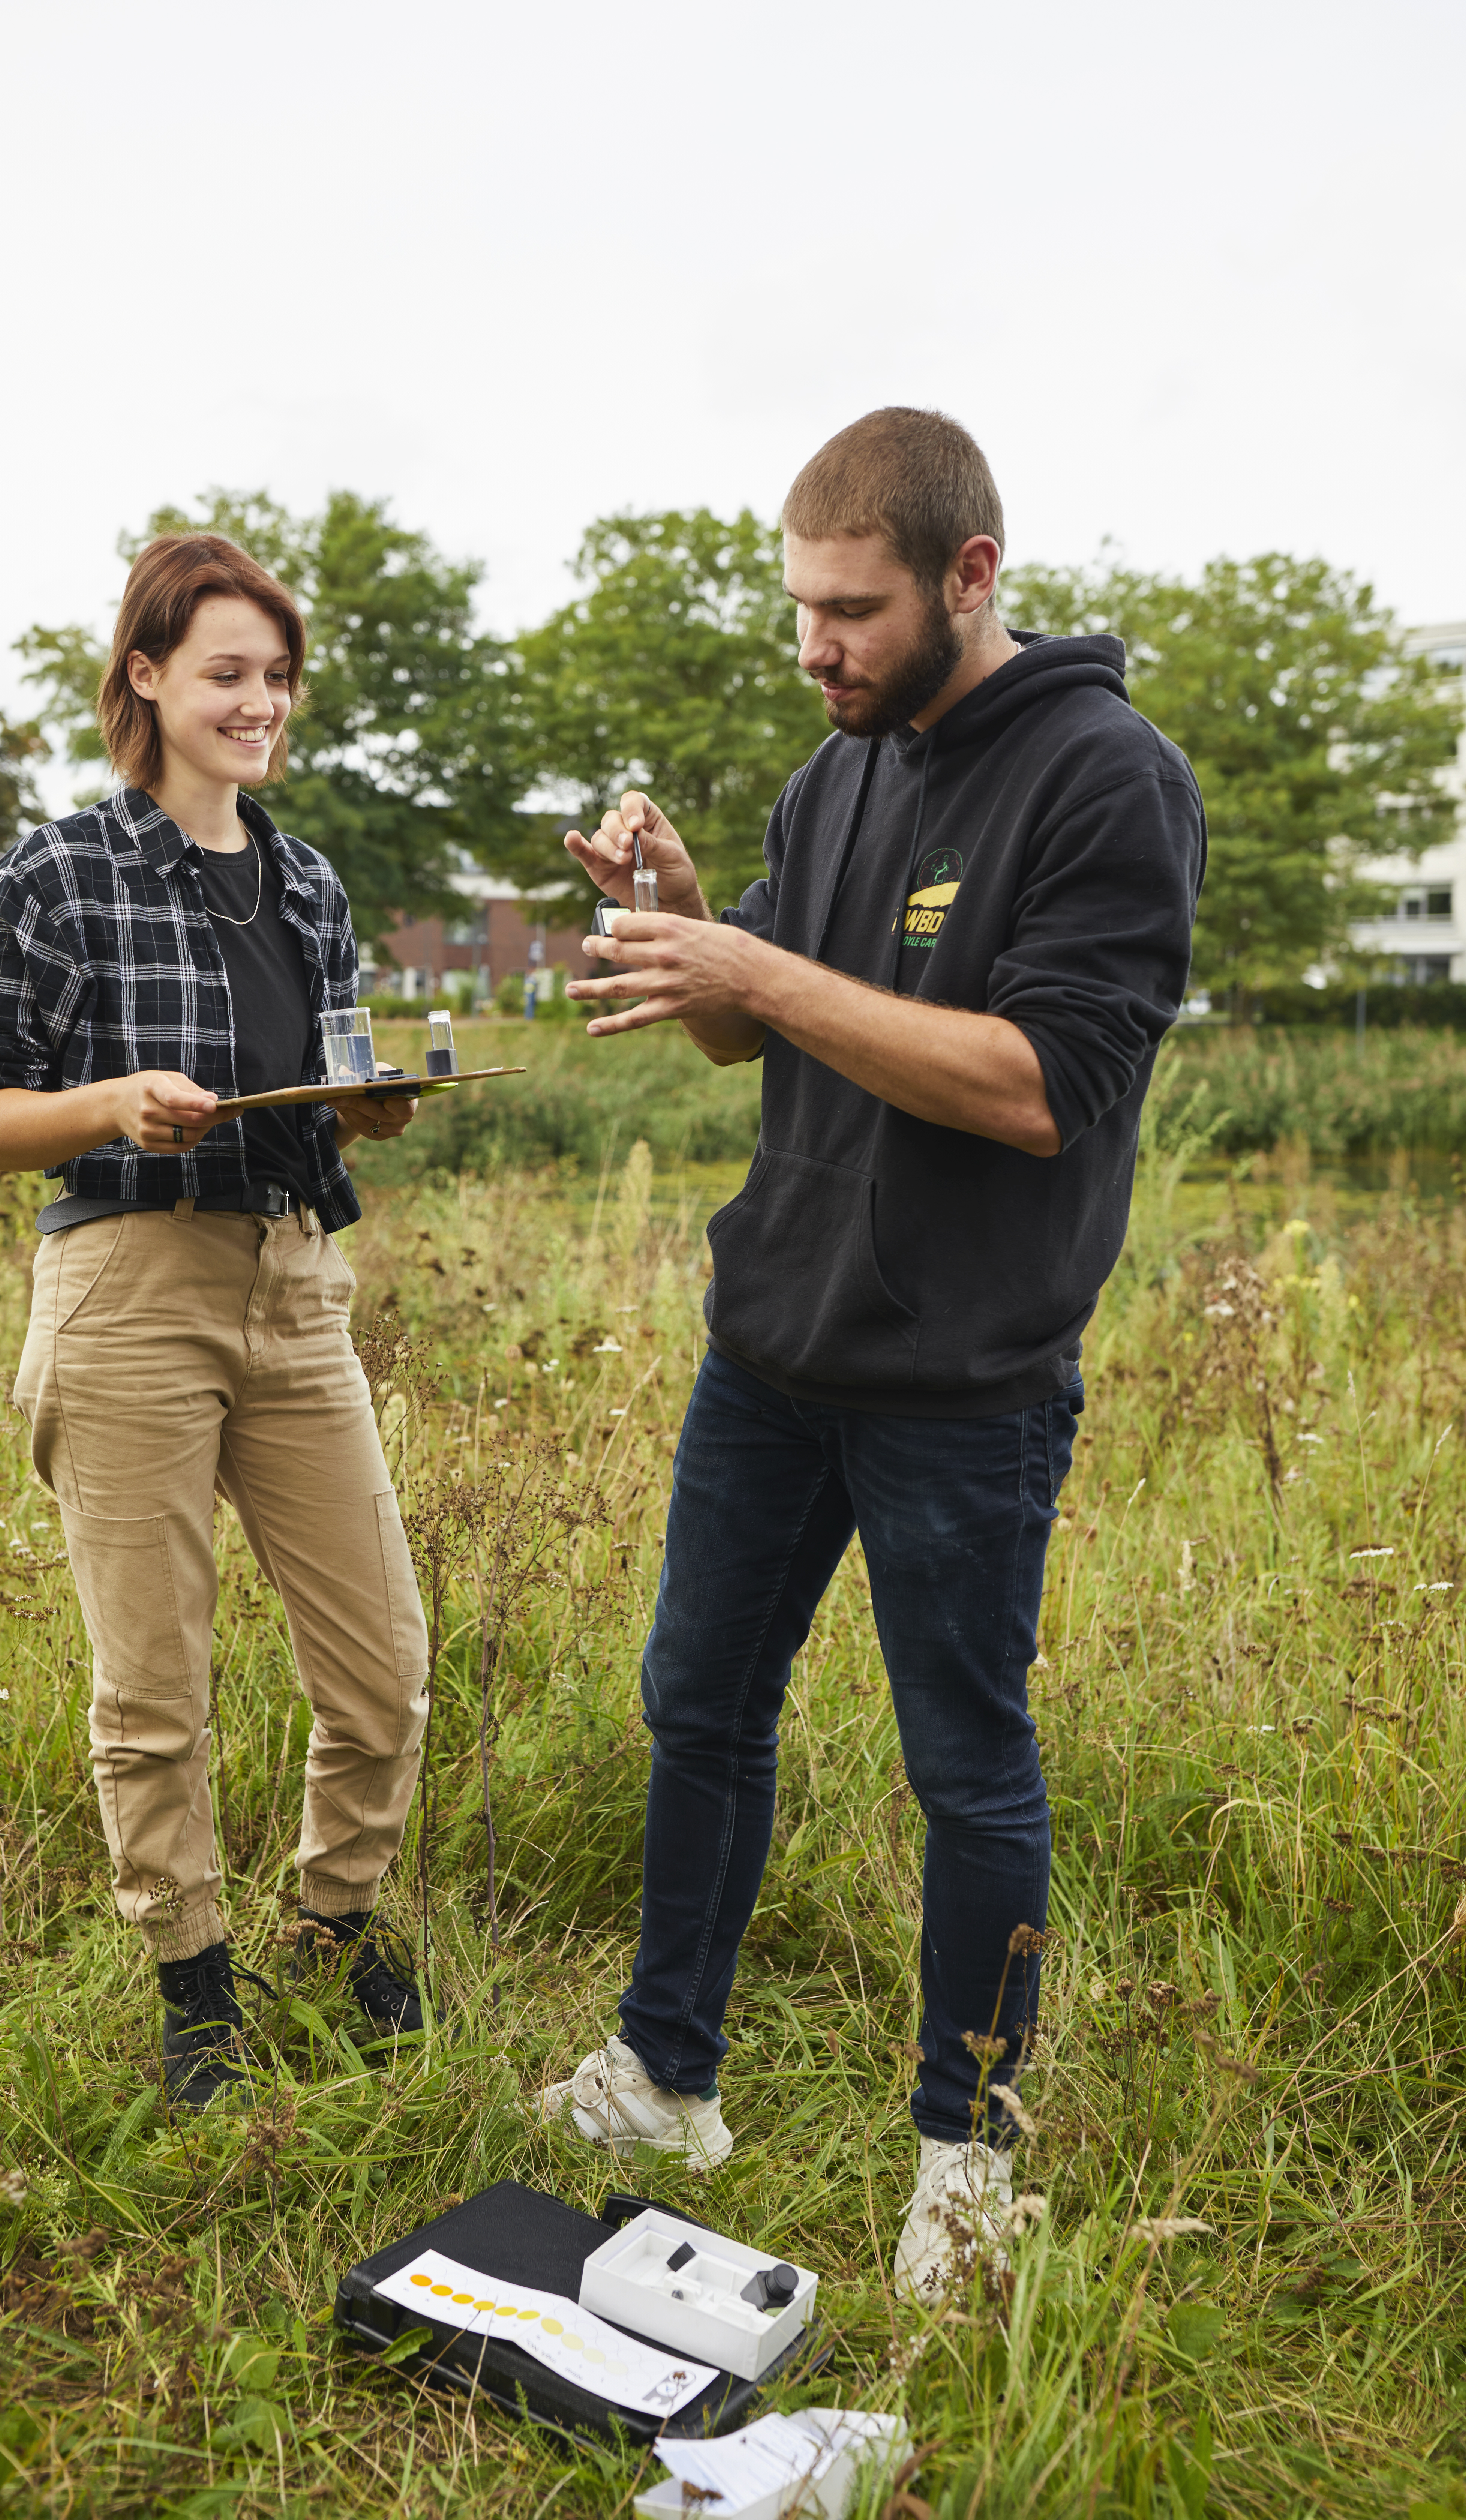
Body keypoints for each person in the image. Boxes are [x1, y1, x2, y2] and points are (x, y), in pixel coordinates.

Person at [541, 408, 1205, 2298]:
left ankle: (967, 2169)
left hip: (963, 1385)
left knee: (965, 1766)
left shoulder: (1103, 777)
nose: (815, 648)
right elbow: (751, 1034)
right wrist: (685, 931)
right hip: (774, 1352)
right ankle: (667, 2077)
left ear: (969, 576)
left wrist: (754, 973)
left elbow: (1039, 1088)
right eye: (800, 612)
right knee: (699, 1706)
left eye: (851, 610)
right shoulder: (833, 779)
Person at [0, 533, 431, 2110]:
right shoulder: (60, 873)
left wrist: (372, 1108)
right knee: (156, 1682)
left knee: (385, 1663)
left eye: (276, 678)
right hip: (127, 1291)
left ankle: (333, 1927)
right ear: (146, 676)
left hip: (293, 1287)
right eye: (227, 673)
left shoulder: (305, 880)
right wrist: (104, 1105)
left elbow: (336, 1088)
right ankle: (192, 1980)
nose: (259, 703)